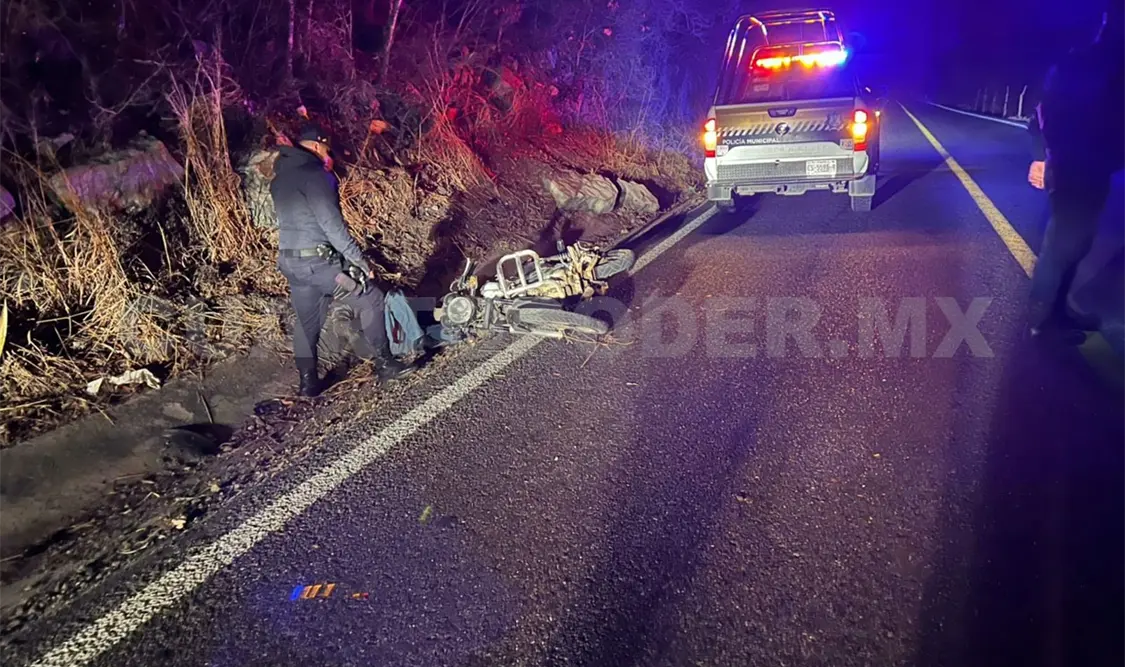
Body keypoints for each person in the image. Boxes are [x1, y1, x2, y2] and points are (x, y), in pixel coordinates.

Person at [271, 123, 414, 396]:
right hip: (319, 265)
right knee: (370, 298)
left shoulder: (279, 180)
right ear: (314, 146)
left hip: (291, 263)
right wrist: (359, 261)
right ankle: (386, 366)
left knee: (307, 321)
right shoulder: (315, 175)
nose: (328, 152)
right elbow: (331, 225)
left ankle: (308, 384)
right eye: (325, 147)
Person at [1026, 2, 1125, 340]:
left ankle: (1054, 313)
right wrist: (1043, 156)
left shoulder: (1105, 63)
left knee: (1077, 242)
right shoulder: (1083, 62)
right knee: (1063, 243)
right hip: (1074, 165)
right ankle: (1043, 319)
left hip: (1094, 165)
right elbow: (1044, 112)